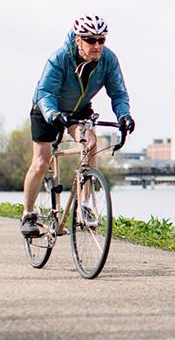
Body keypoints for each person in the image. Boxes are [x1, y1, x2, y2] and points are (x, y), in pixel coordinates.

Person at [20, 15, 135, 237]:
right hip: (46, 110)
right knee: (41, 161)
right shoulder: (60, 58)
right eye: (91, 40)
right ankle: (28, 214)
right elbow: (45, 92)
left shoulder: (109, 60)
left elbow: (118, 93)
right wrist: (53, 114)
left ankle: (85, 206)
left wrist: (124, 116)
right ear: (77, 39)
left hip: (79, 109)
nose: (97, 46)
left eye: (101, 40)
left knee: (91, 144)